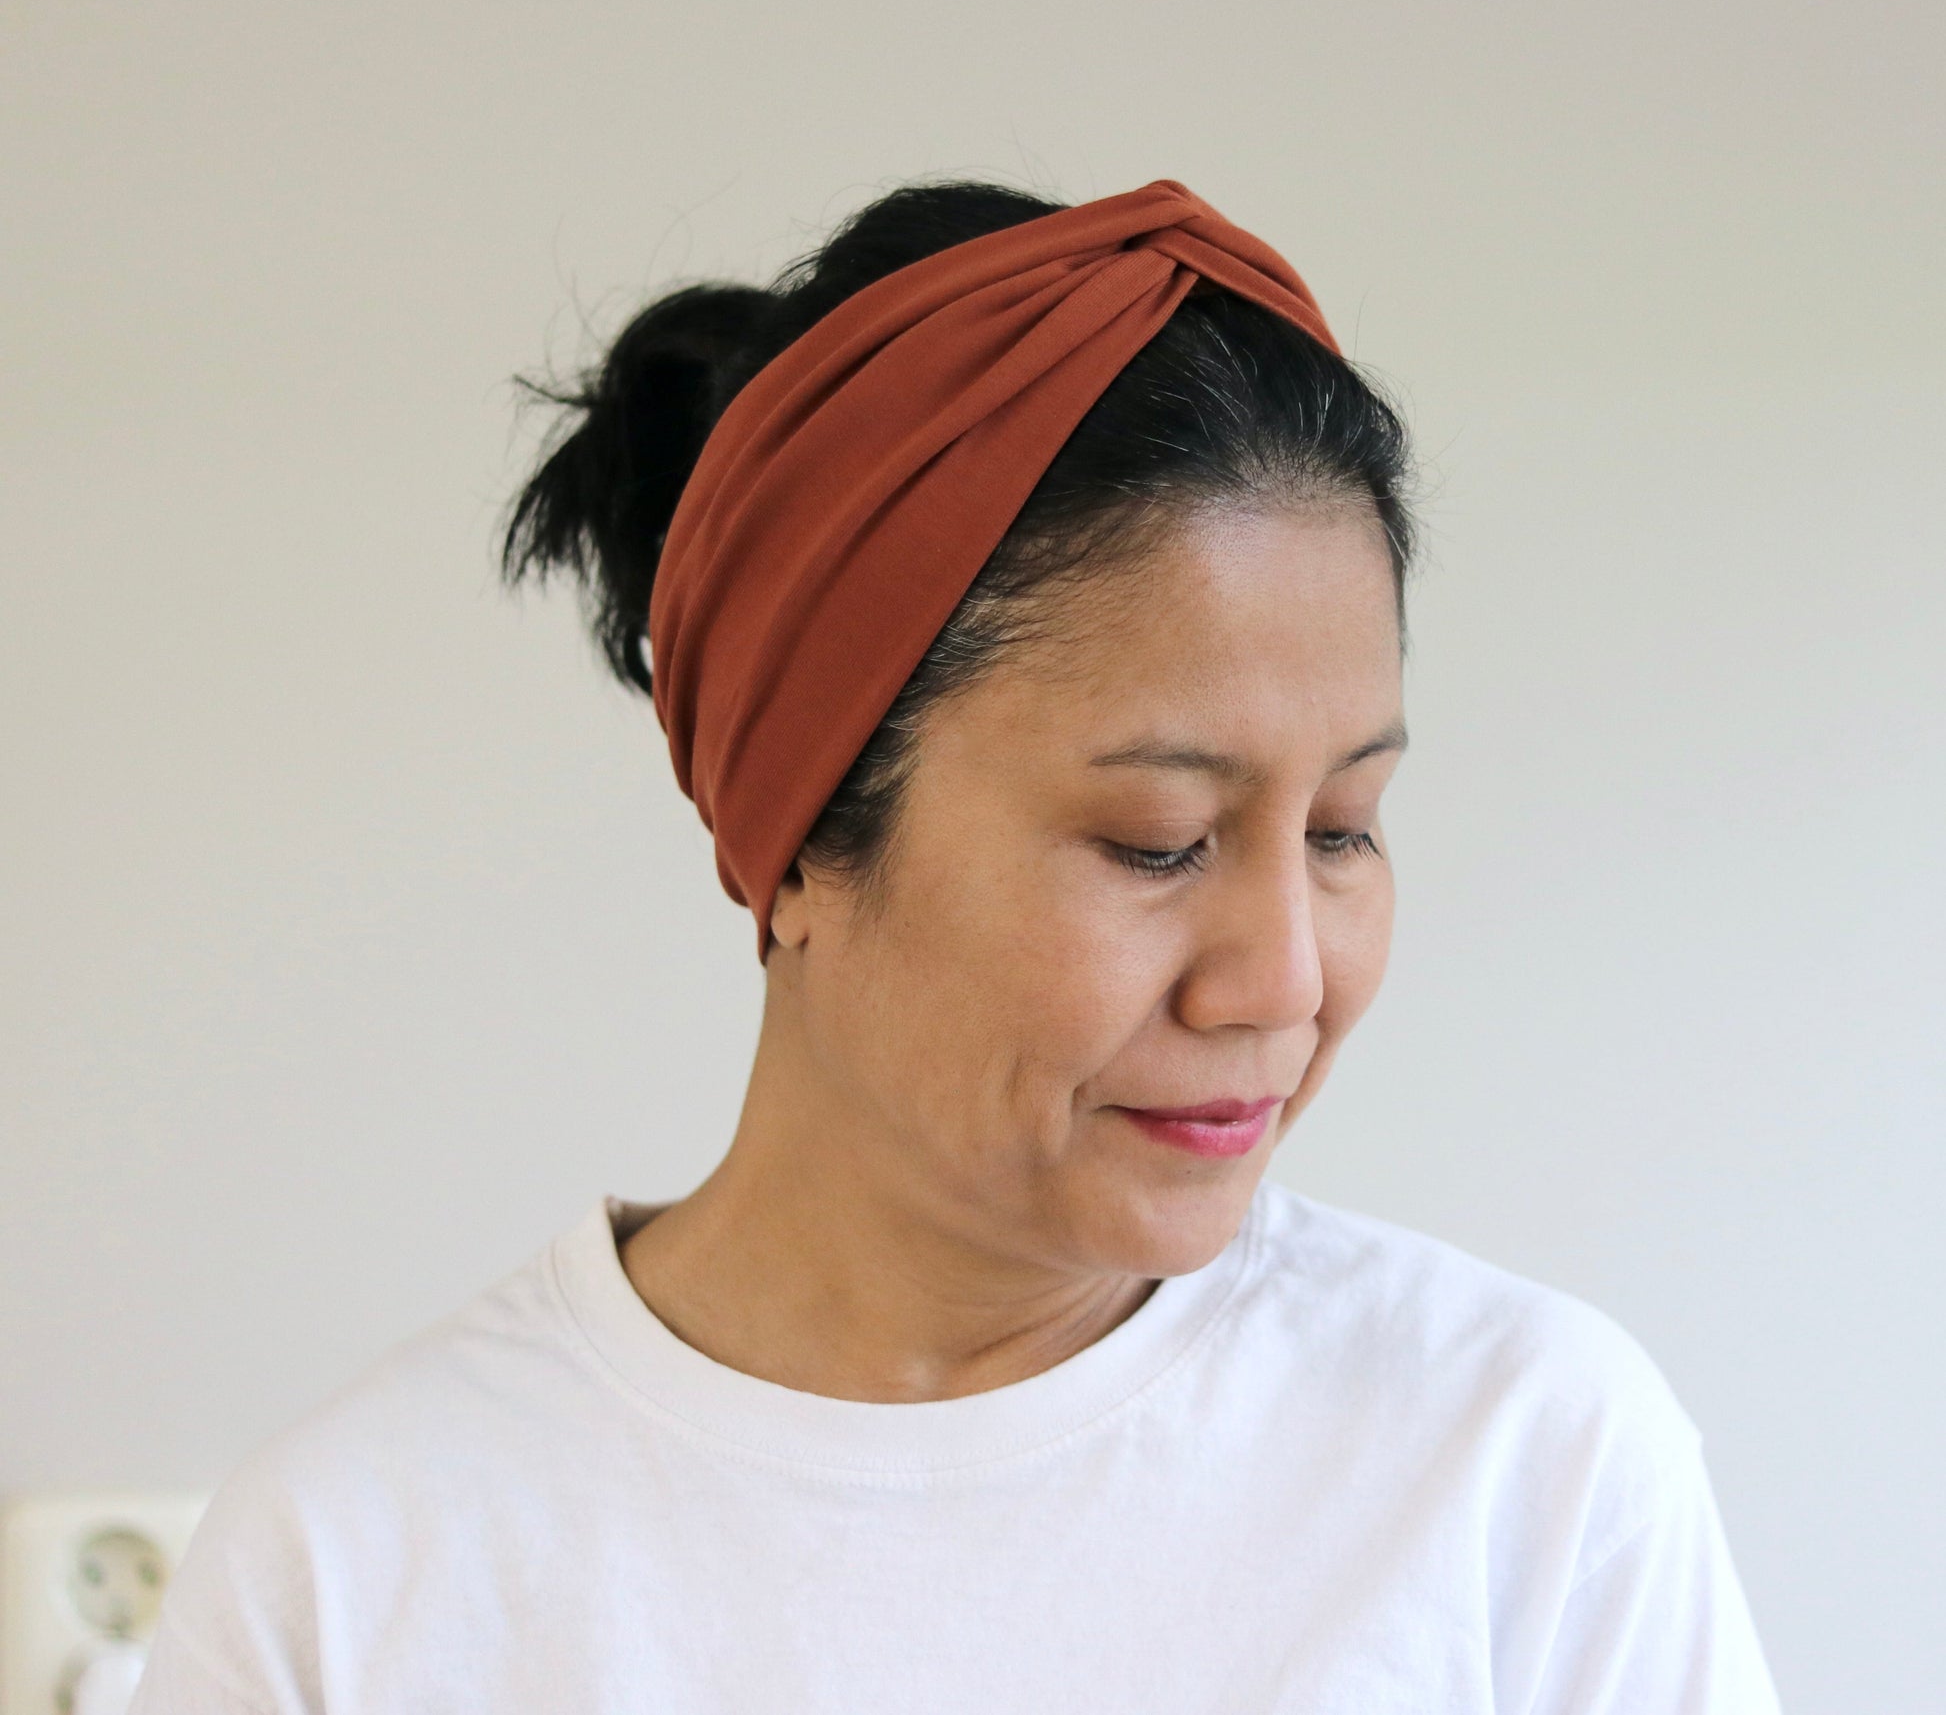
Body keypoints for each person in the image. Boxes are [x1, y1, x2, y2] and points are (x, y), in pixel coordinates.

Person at [129, 176, 1782, 1713]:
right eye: (1158, 843)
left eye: (1343, 827)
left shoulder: (1520, 1465)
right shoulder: (354, 1580)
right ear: (798, 840)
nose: (1281, 980)